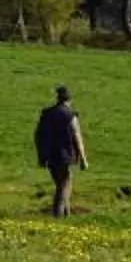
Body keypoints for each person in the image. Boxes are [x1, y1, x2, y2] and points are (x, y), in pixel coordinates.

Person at [33, 85, 88, 217]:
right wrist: (83, 159)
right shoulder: (70, 116)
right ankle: (57, 213)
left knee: (61, 182)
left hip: (50, 155)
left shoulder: (46, 114)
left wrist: (41, 156)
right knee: (64, 184)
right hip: (65, 155)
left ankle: (66, 215)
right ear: (69, 100)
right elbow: (77, 137)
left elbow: (38, 136)